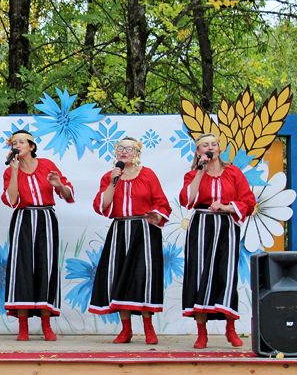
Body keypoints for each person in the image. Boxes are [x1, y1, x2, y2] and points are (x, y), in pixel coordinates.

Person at [89, 137, 171, 344]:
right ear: (116, 152)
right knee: (119, 277)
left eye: (129, 148)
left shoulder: (148, 174)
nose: (124, 151)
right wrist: (112, 182)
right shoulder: (109, 177)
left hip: (144, 231)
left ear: (137, 153)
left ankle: (149, 328)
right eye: (121, 148)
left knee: (143, 278)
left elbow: (161, 202)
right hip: (120, 230)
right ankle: (126, 330)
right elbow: (102, 205)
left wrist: (157, 215)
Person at [180, 132, 256, 349]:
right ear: (198, 151)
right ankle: (201, 333)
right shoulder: (192, 174)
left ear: (219, 149)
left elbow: (248, 201)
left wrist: (226, 207)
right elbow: (187, 199)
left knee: (226, 274)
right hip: (201, 226)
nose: (210, 147)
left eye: (214, 144)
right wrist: (199, 171)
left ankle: (230, 329)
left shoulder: (233, 172)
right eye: (205, 145)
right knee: (199, 274)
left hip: (226, 226)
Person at [1, 130, 74, 341]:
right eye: (14, 143)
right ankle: (23, 326)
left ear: (32, 146)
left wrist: (59, 185)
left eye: (21, 142)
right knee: (21, 268)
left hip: (46, 219)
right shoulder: (10, 171)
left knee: (46, 267)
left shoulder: (47, 165)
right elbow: (12, 200)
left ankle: (46, 325)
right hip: (23, 219)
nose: (17, 145)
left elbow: (67, 195)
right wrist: (14, 171)